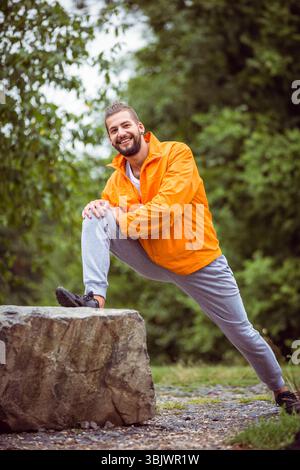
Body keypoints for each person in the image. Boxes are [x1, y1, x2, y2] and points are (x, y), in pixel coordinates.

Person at [56, 101, 300, 415]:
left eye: (125, 125)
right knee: (94, 215)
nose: (121, 133)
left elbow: (166, 210)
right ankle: (95, 298)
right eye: (113, 130)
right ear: (110, 138)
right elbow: (108, 220)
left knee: (242, 331)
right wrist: (101, 209)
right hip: (153, 259)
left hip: (198, 261)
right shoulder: (115, 182)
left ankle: (282, 390)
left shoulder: (176, 155)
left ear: (140, 128)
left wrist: (121, 214)